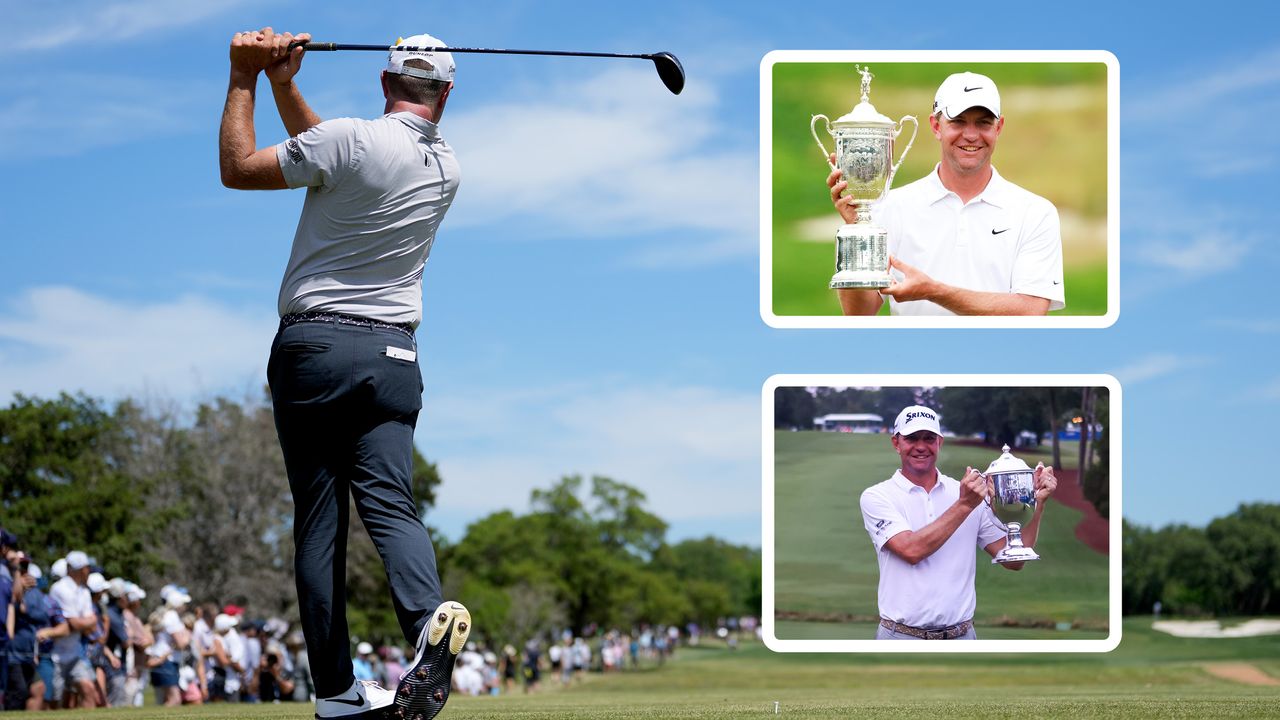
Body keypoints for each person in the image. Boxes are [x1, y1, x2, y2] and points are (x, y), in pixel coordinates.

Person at [218, 27, 470, 720]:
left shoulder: (351, 140)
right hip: (394, 357)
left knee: (321, 522)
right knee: (392, 503)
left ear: (385, 82)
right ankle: (424, 625)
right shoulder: (446, 166)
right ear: (446, 93)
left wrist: (244, 75)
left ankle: (336, 693)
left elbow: (240, 167)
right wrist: (284, 84)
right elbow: (333, 152)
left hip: (318, 349)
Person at [827, 71, 1065, 316]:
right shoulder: (890, 207)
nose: (971, 135)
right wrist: (857, 230)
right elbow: (860, 314)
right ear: (935, 126)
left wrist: (934, 291)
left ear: (999, 127)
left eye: (983, 122)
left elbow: (1031, 311)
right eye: (958, 121)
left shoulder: (1035, 212)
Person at [859, 406, 1057, 639]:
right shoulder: (877, 496)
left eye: (929, 438)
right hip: (900, 637)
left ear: (939, 443)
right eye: (911, 438)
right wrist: (964, 505)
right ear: (896, 443)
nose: (921, 446)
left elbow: (1014, 560)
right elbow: (911, 550)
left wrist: (1039, 503)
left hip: (962, 635)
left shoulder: (965, 493)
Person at [47, 551, 99, 707]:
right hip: (54, 654)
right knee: (54, 701)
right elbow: (75, 624)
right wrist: (86, 622)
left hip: (75, 653)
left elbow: (91, 627)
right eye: (85, 568)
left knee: (89, 690)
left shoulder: (84, 591)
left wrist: (84, 623)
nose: (88, 571)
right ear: (76, 569)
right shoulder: (60, 588)